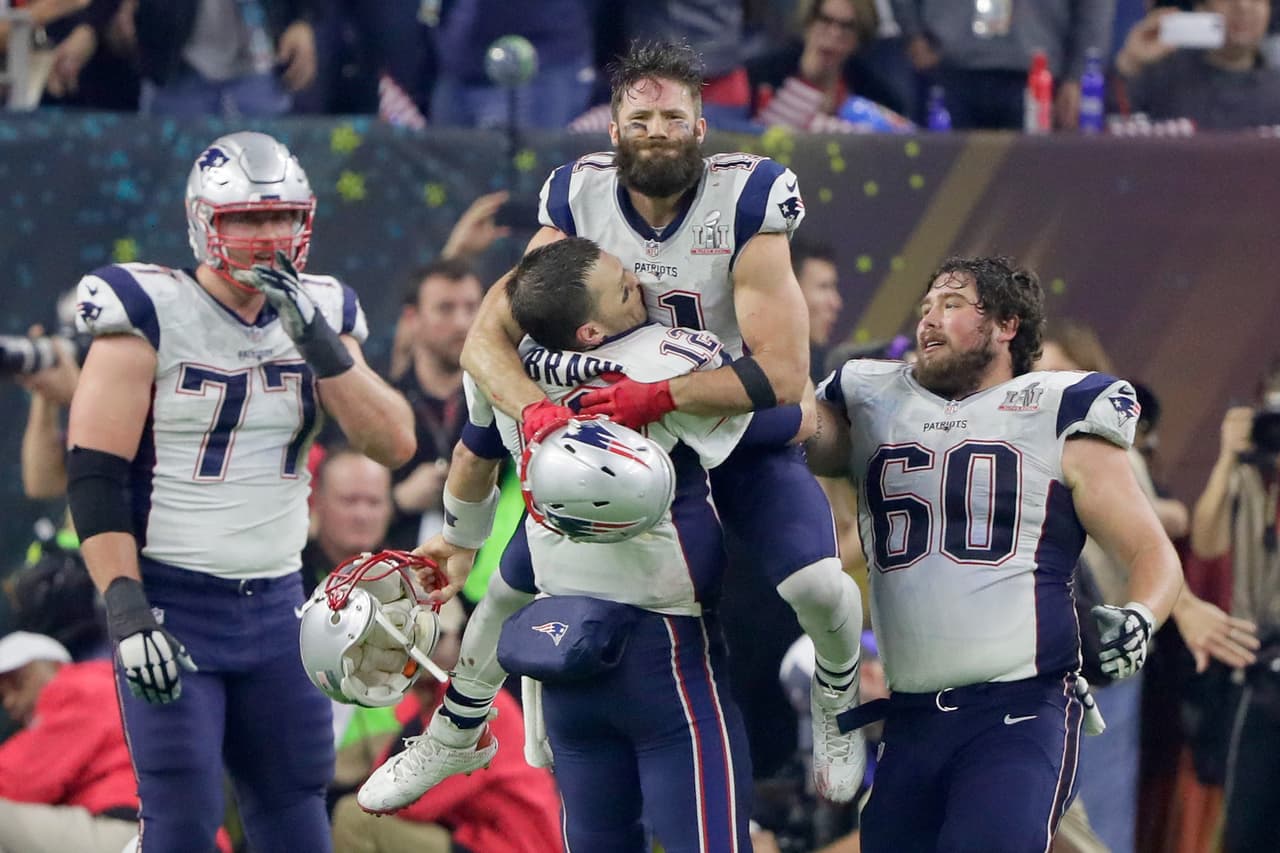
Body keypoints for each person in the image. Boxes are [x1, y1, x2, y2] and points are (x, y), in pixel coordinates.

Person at [459, 39, 868, 803]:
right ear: (612, 131)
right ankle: (461, 727)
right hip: (629, 437)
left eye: (673, 116)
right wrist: (538, 412)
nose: (657, 129)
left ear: (701, 128)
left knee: (817, 584)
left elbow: (781, 376)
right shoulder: (574, 197)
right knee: (515, 585)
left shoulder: (750, 199)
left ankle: (838, 697)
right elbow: (489, 335)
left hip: (731, 426)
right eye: (640, 116)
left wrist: (665, 394)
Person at [359, 237, 834, 847]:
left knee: (503, 601)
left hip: (562, 637)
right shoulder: (667, 357)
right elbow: (786, 415)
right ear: (587, 330)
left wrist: (458, 538)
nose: (637, 281)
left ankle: (456, 728)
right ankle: (841, 685)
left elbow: (473, 453)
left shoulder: (506, 368)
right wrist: (808, 407)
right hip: (662, 644)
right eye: (621, 285)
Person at [65, 130, 415, 852]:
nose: (267, 236)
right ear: (204, 222)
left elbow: (394, 443)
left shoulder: (324, 309)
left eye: (282, 217)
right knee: (184, 818)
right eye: (246, 220)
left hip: (280, 601)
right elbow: (94, 475)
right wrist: (127, 609)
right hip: (173, 601)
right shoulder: (148, 310)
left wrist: (316, 341)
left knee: (296, 805)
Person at [805, 255, 1184, 851]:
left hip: (1019, 708)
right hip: (912, 716)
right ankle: (832, 680)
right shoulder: (876, 401)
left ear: (1007, 324)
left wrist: (1139, 617)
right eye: (926, 306)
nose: (929, 318)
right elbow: (804, 437)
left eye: (952, 304)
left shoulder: (1059, 409)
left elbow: (1152, 551)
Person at [1189, 364, 1280, 853]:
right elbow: (1205, 543)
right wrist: (1228, 458)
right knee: (1247, 825)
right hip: (1256, 666)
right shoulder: (1248, 475)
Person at [0, 631, 138, 853]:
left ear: (55, 666)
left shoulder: (77, 688)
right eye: (1, 695)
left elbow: (18, 781)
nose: (11, 701)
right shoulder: (111, 686)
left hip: (128, 831)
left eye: (17, 682)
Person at [385, 259, 483, 549]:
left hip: (486, 576)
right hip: (392, 572)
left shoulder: (502, 401)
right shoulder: (383, 403)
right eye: (445, 308)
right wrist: (398, 500)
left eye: (471, 307)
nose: (462, 323)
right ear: (412, 318)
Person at [1115, 0, 1280, 129]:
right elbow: (1103, 126)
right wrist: (1129, 64)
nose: (1243, 5)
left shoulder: (1275, 90)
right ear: (1202, 8)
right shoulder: (1163, 75)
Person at [301, 446, 395, 596]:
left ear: (389, 507)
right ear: (318, 501)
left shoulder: (408, 580)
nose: (362, 515)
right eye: (349, 501)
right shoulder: (289, 580)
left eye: (374, 502)